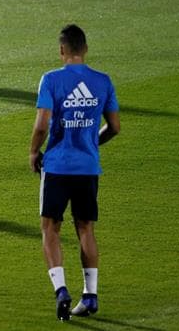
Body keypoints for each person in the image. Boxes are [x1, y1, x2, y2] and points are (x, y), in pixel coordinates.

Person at [29, 24, 120, 321]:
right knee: (85, 228)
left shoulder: (51, 80)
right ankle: (90, 295)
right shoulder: (103, 81)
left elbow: (42, 125)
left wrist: (33, 152)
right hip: (88, 167)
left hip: (57, 166)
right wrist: (92, 143)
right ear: (86, 49)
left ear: (61, 50)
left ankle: (61, 291)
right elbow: (115, 127)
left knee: (50, 228)